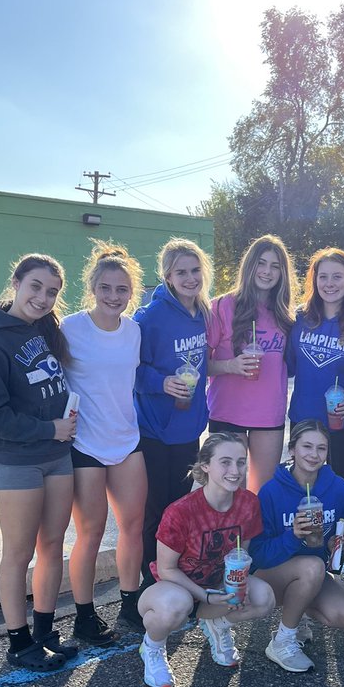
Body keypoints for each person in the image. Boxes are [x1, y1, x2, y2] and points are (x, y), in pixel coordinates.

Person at [0, 254, 76, 672]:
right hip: (18, 463)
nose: (42, 298)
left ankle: (44, 631)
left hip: (57, 458)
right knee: (18, 552)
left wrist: (60, 429)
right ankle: (19, 641)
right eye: (35, 287)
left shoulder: (42, 329)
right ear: (16, 282)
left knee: (51, 546)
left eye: (51, 292)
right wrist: (50, 430)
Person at [136, 433, 275, 687]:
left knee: (263, 597)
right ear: (205, 466)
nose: (235, 471)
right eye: (225, 462)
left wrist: (234, 586)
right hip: (173, 587)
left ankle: (218, 624)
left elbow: (241, 555)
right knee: (175, 606)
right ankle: (152, 647)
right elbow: (166, 568)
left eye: (241, 462)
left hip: (216, 584)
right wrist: (205, 595)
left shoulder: (248, 503)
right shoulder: (180, 511)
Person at [61, 242, 147, 644]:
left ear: (132, 292)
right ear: (92, 288)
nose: (114, 296)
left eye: (122, 289)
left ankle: (132, 605)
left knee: (132, 527)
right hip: (85, 445)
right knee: (91, 532)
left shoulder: (135, 331)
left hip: (126, 439)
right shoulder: (70, 328)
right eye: (106, 288)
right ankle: (84, 615)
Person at [250, 420, 344, 672]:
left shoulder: (339, 489)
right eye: (306, 446)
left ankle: (296, 613)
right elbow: (258, 554)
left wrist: (337, 547)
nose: (313, 454)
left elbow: (337, 558)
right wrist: (293, 535)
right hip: (271, 576)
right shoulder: (271, 492)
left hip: (315, 573)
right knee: (311, 565)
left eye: (321, 448)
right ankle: (282, 641)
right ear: (292, 450)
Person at [134, 237, 212, 588]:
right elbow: (131, 368)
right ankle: (149, 584)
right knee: (155, 512)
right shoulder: (150, 317)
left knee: (180, 511)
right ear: (166, 275)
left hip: (189, 429)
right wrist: (162, 382)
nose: (190, 277)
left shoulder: (204, 313)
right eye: (181, 271)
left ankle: (176, 578)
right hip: (155, 431)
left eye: (195, 270)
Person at [207, 234, 297, 492]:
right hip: (227, 411)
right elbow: (200, 365)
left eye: (275, 266)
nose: (267, 272)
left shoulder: (285, 314)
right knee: (226, 492)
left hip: (268, 415)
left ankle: (255, 536)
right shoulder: (222, 306)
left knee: (262, 494)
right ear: (249, 266)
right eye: (261, 263)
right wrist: (231, 366)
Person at [286, 248, 344, 484]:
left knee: (338, 491)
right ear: (314, 280)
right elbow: (288, 365)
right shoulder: (300, 319)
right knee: (302, 491)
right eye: (323, 276)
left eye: (337, 276)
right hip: (303, 419)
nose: (329, 283)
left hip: (339, 425)